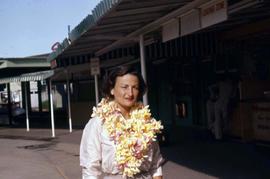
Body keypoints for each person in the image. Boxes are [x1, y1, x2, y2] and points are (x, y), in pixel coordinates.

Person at [80, 65, 164, 179]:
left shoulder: (146, 122)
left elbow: (156, 164)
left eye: (135, 87)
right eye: (124, 87)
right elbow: (90, 170)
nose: (130, 93)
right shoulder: (98, 123)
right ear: (112, 89)